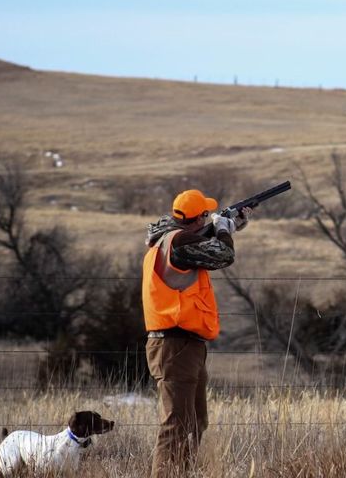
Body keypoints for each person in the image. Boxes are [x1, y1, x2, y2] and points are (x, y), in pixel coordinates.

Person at [141, 189, 250, 477]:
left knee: (194, 422)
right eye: (206, 214)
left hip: (184, 344)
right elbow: (222, 255)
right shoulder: (178, 243)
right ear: (197, 218)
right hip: (174, 344)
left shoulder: (171, 238)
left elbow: (203, 247)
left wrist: (229, 225)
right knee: (177, 423)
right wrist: (224, 229)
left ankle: (182, 473)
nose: (209, 217)